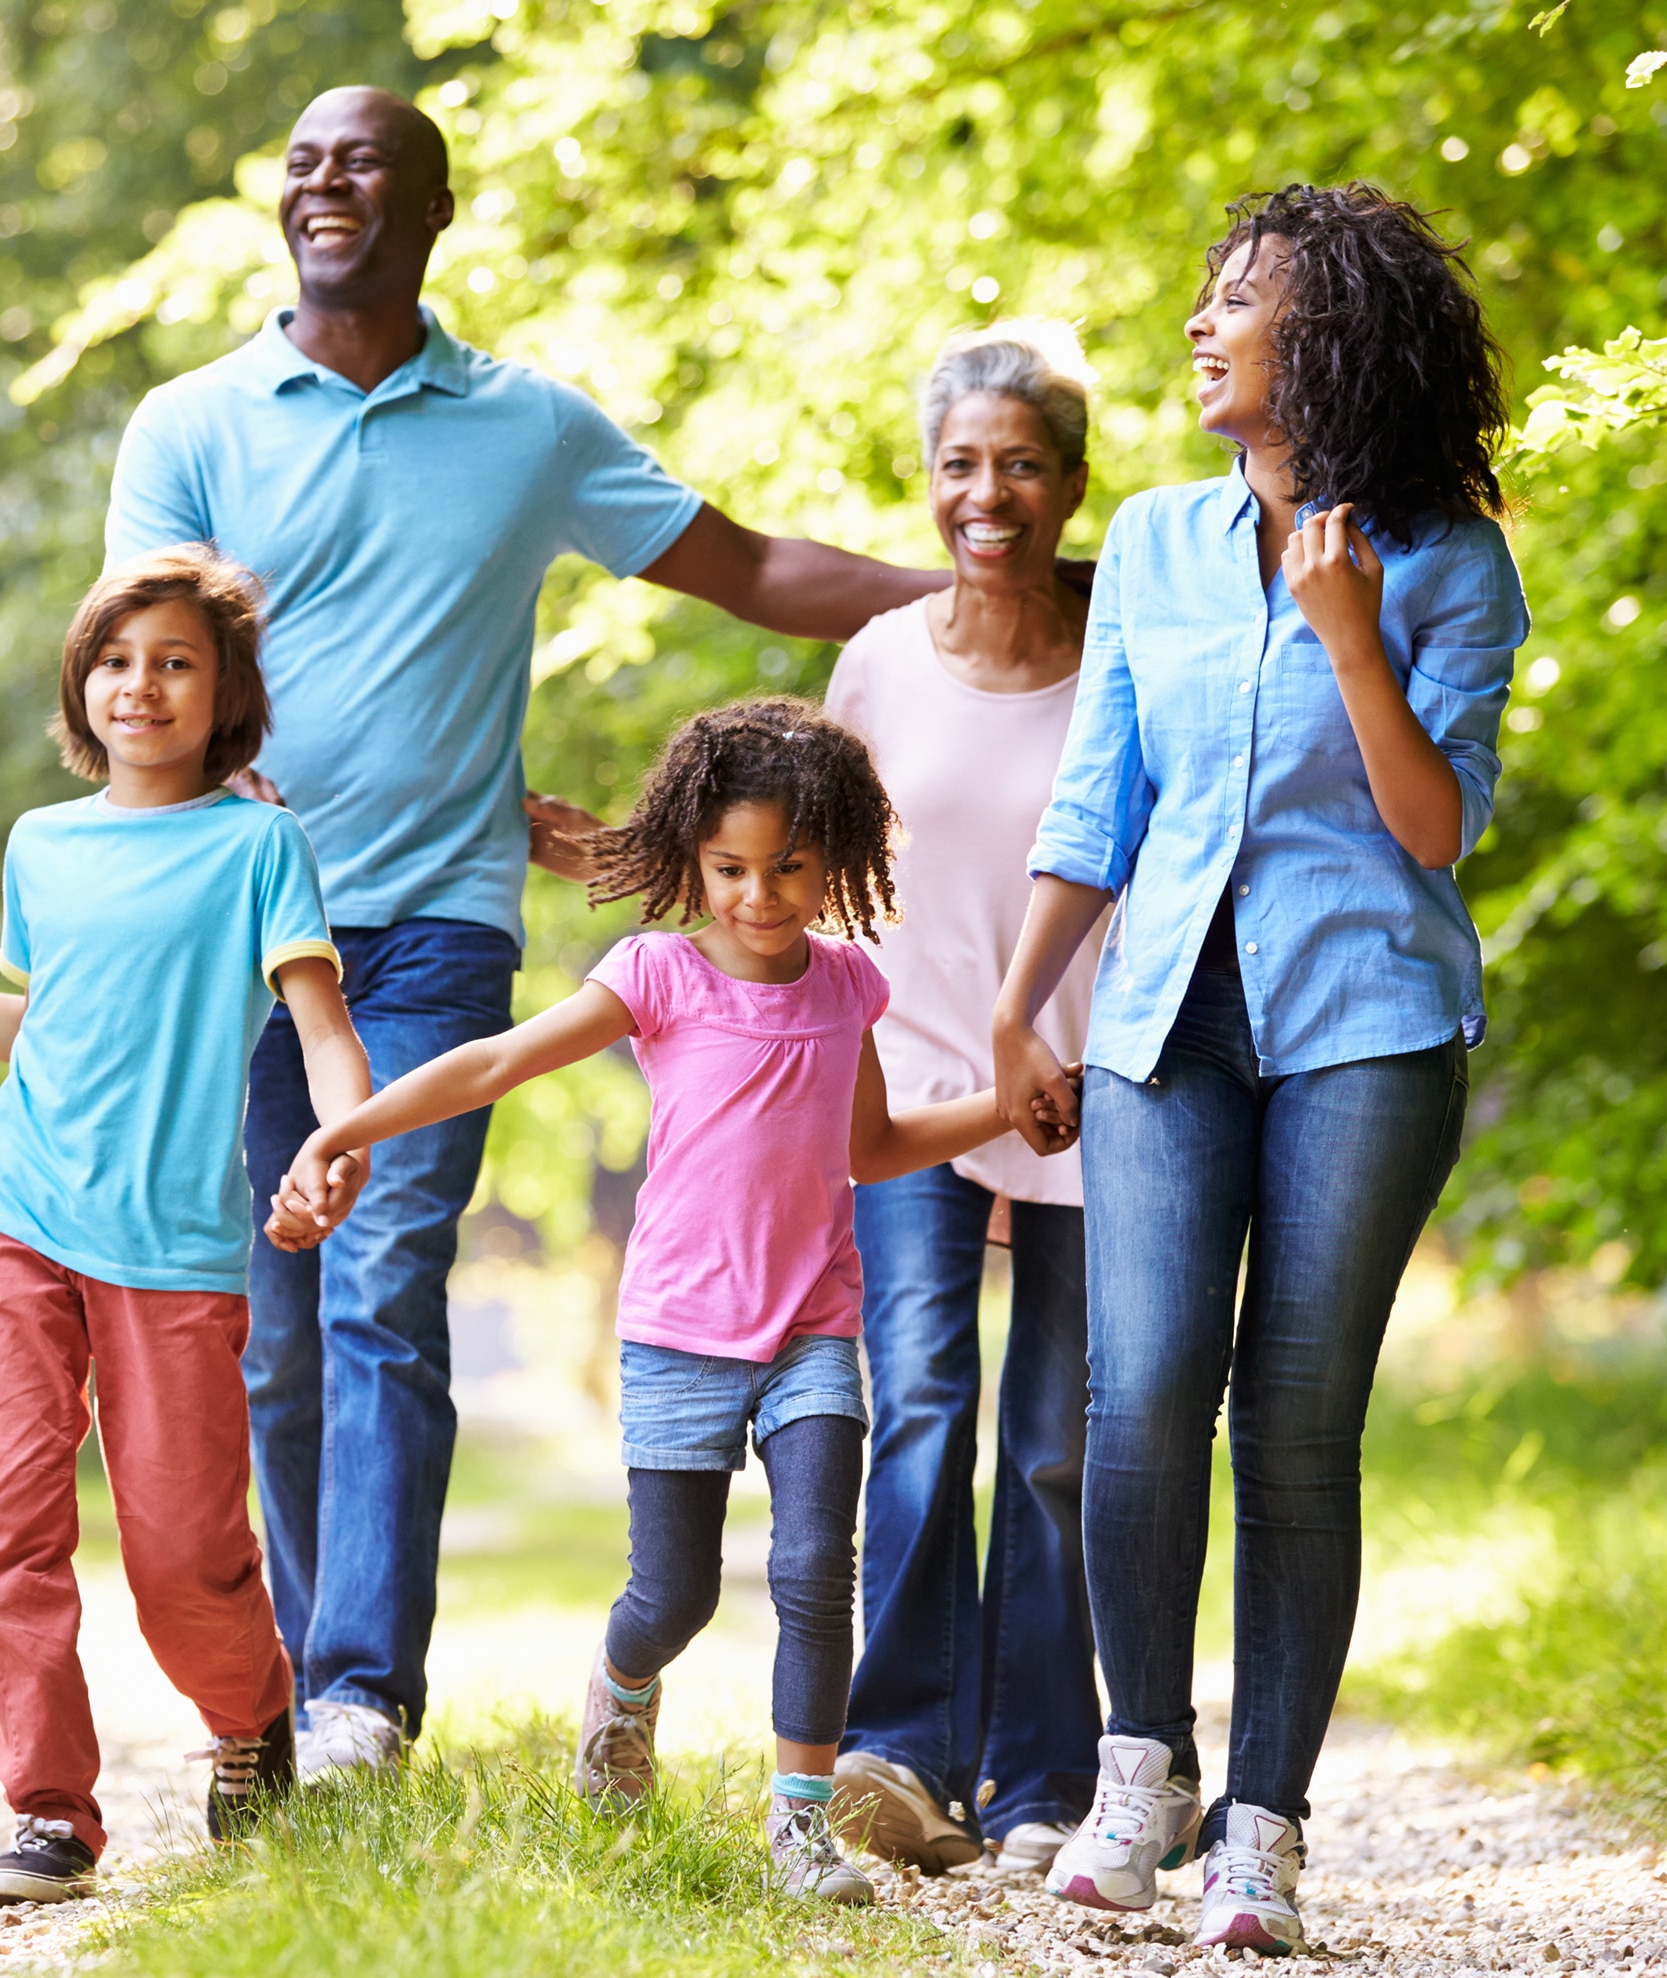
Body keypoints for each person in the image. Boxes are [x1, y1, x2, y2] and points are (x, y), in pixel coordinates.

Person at [107, 83, 951, 1780]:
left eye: (362, 163)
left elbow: (751, 568)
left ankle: (360, 1693)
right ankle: (274, 1686)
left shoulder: (528, 428)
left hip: (428, 934)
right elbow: (148, 672)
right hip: (232, 941)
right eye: (302, 162)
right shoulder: (191, 424)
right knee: (272, 1320)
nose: (324, 183)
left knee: (384, 1270)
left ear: (432, 209)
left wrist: (980, 595)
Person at [990, 185, 1524, 1948]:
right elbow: (1101, 795)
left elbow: (1435, 830)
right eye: (1205, 300)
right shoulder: (1147, 541)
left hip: (1366, 1024)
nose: (1201, 327)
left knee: (1295, 1426)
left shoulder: (1450, 557)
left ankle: (1264, 1831)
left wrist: (1356, 633)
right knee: (1137, 1387)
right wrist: (1020, 1003)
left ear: (1336, 337)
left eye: (1241, 302)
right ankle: (1139, 1762)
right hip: (1162, 1024)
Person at [266, 699, 1013, 1905]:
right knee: (676, 1594)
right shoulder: (659, 973)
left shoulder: (846, 989)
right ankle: (622, 1690)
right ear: (691, 858)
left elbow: (871, 1144)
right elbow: (499, 1059)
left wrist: (1001, 1107)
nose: (758, 894)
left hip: (813, 1327)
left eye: (788, 868)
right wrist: (348, 1122)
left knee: (820, 1563)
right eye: (729, 868)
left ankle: (800, 1826)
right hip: (679, 1334)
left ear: (836, 860)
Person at [0, 548, 372, 1906]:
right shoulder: (39, 846)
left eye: (174, 661)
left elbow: (321, 1032)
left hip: (171, 1249)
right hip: (23, 1213)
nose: (140, 685)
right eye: (115, 660)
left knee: (182, 1557)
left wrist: (335, 1145)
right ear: (80, 683)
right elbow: (40, 1028)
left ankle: (249, 1715)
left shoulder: (256, 844)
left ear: (222, 691)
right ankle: (51, 1810)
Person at [815, 321, 1105, 1881]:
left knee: (1057, 1442)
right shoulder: (877, 662)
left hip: (1081, 1084)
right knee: (920, 1404)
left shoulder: (1121, 646)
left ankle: (1043, 1773)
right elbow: (814, 875)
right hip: (912, 1085)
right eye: (956, 465)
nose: (983, 493)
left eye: (1016, 464)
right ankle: (902, 1752)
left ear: (1067, 483)